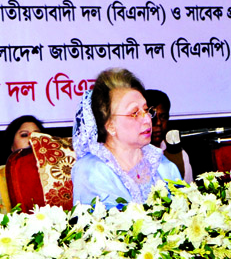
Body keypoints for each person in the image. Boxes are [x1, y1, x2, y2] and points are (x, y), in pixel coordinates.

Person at [71, 68, 181, 209]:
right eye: (134, 113)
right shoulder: (91, 170)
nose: (147, 119)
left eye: (146, 110)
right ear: (110, 125)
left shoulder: (162, 165)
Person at [0, 115, 43, 215]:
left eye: (37, 135)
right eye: (24, 135)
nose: (32, 140)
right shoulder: (0, 177)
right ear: (12, 146)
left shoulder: (54, 173)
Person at [144, 89, 193, 183]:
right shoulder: (134, 156)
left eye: (163, 117)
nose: (158, 123)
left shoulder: (179, 155)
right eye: (153, 117)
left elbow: (189, 191)